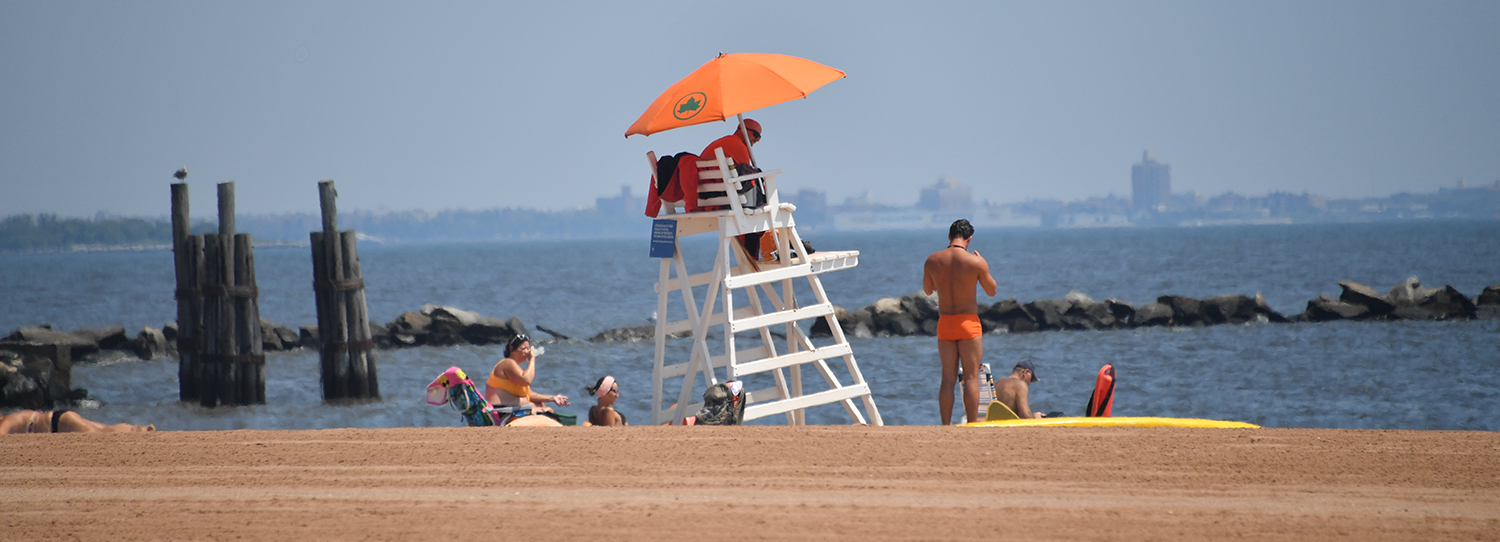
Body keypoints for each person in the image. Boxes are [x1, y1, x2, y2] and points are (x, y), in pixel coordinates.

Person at [922, 219, 998, 425]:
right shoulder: (975, 262)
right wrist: (983, 264)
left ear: (949, 236)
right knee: (971, 377)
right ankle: (972, 423)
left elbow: (929, 290)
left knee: (947, 378)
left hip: (945, 322)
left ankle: (945, 425)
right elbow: (992, 291)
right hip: (968, 322)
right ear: (969, 239)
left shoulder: (932, 260)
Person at [485, 334, 569, 413]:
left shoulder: (515, 369)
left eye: (528, 348)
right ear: (512, 349)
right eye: (523, 348)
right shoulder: (507, 363)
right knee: (548, 411)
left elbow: (529, 394)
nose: (527, 352)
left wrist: (553, 398)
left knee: (541, 405)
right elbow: (526, 380)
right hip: (501, 410)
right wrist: (532, 359)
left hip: (511, 409)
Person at [0, 409, 154, 433]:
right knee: (104, 430)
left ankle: (137, 430)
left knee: (99, 436)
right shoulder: (15, 416)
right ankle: (138, 429)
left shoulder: (9, 419)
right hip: (60, 419)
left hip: (58, 423)